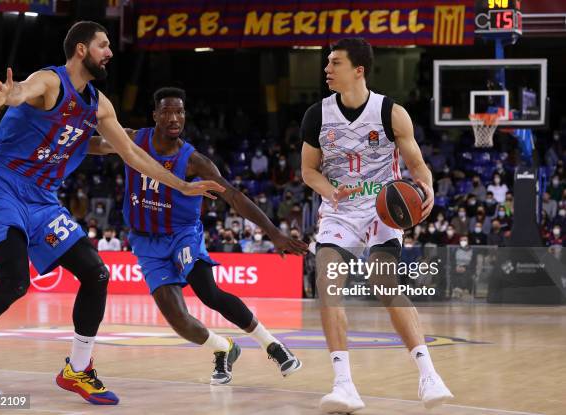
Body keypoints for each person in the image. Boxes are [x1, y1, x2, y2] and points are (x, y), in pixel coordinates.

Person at [0, 22, 224, 406]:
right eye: (103, 45)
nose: (110, 51)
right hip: (3, 190)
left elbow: (132, 155)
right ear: (81, 50)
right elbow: (26, 89)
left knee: (97, 274)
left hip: (43, 201)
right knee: (15, 282)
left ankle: (77, 370)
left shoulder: (99, 105)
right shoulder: (50, 81)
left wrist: (180, 185)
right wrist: (14, 94)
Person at [93, 87, 307, 385]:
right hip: (145, 241)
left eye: (179, 111)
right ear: (155, 115)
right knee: (178, 321)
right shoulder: (133, 139)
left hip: (182, 235)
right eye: (167, 111)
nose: (174, 117)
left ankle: (272, 344)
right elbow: (98, 144)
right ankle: (224, 348)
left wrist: (274, 233)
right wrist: (55, 141)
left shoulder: (195, 162)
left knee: (208, 292)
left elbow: (233, 196)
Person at [300, 38, 453, 413]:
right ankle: (344, 384)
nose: (327, 69)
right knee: (327, 281)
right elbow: (307, 171)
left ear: (359, 69)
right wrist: (330, 190)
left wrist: (427, 184)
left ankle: (429, 375)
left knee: (384, 281)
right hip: (339, 208)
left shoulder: (391, 113)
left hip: (383, 206)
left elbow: (415, 163)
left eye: (335, 63)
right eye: (328, 62)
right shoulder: (317, 115)